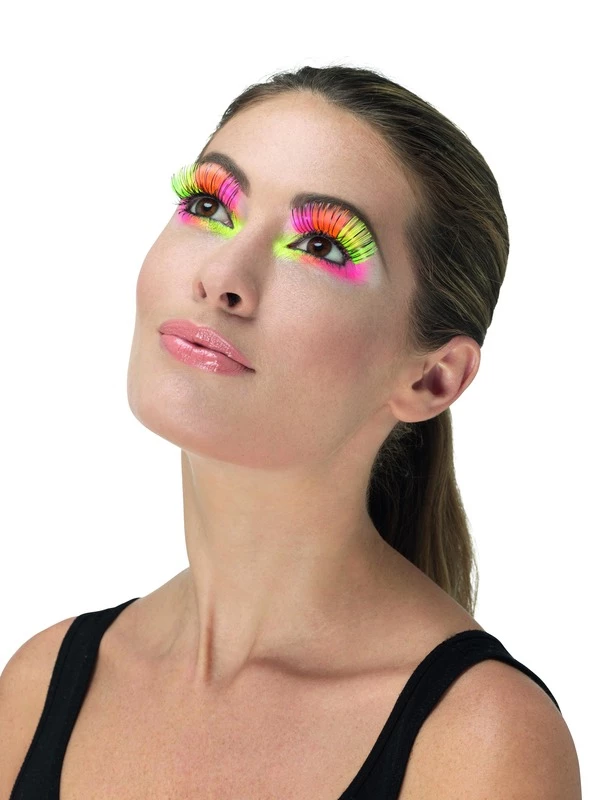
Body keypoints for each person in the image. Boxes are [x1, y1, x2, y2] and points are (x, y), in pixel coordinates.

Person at [1, 64, 581, 799]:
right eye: (210, 204)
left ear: (432, 379)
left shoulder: (479, 740)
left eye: (321, 248)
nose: (222, 275)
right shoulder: (38, 687)